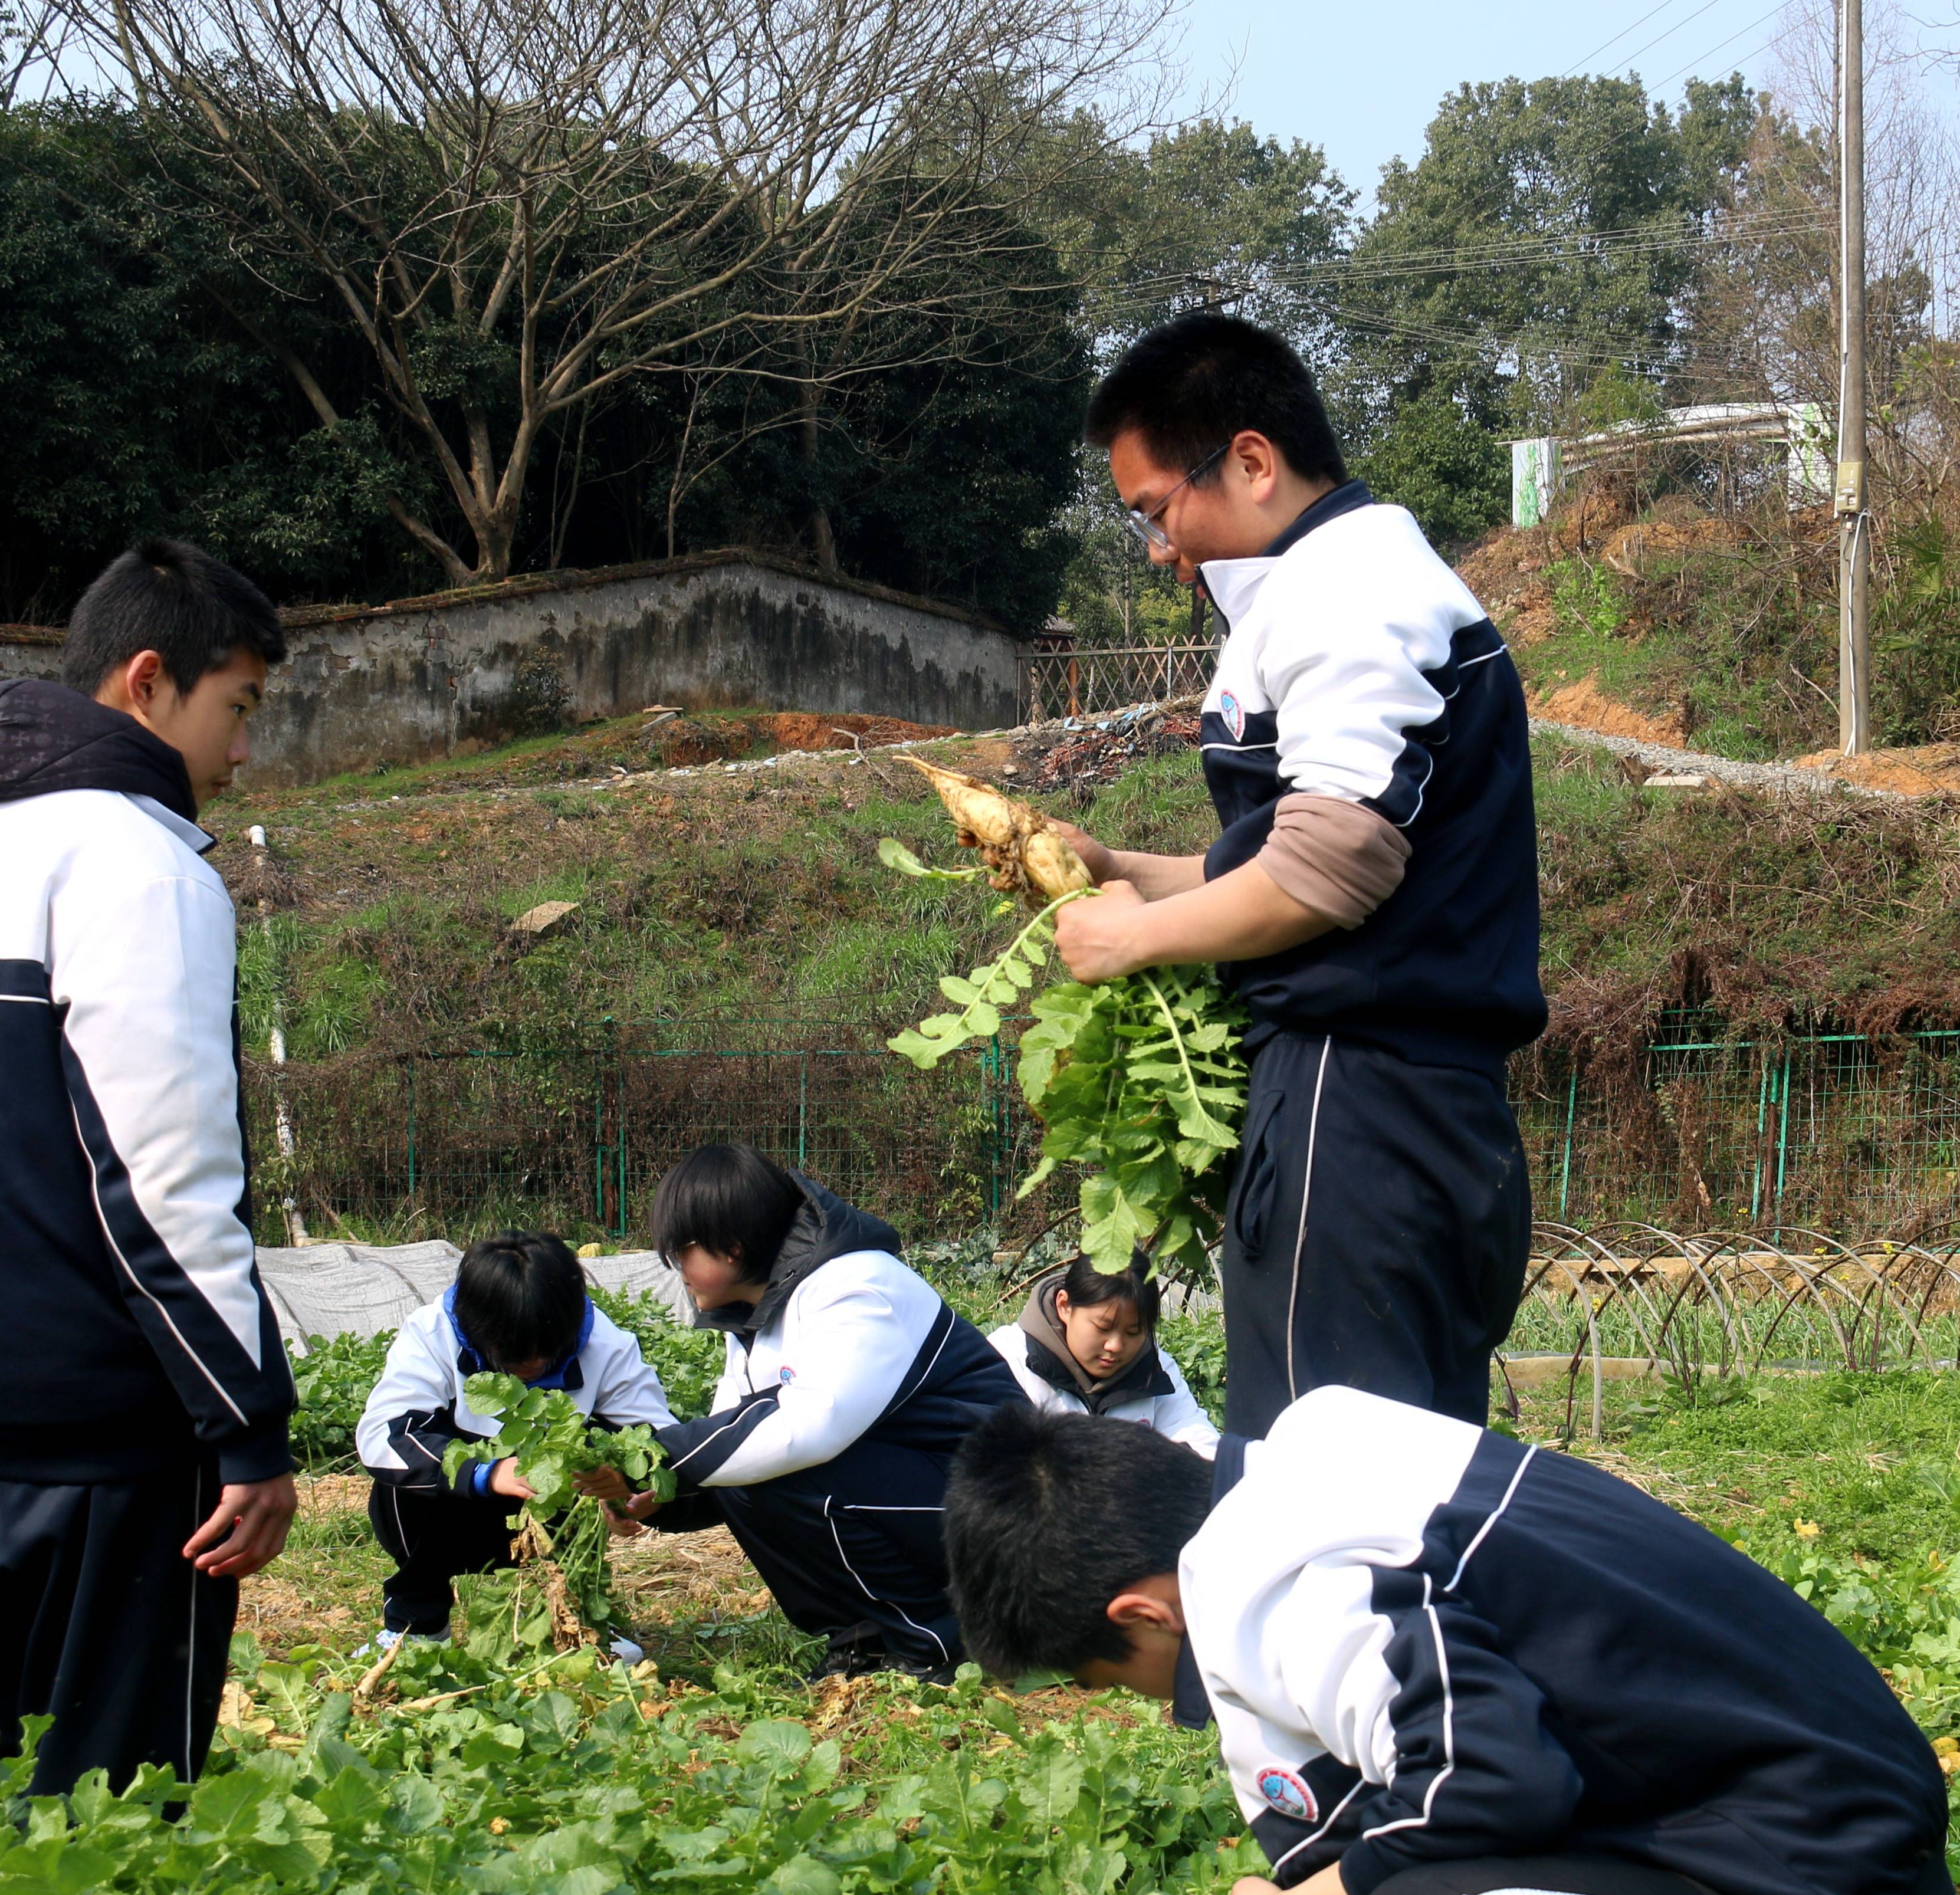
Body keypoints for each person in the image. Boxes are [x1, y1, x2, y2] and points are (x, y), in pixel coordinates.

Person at [941, 1387, 1960, 1895]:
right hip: (1787, 1894)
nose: (1173, 1706)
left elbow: (1490, 1779)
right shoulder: (1312, 1477)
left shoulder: (1288, 1583)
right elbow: (1378, 1758)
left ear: (1143, 1613)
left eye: (1136, 1683)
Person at [0, 537, 298, 1794]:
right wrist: (248, 1428)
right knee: (106, 1811)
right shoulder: (142, 864)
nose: (243, 750)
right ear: (149, 682)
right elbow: (160, 1176)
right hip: (105, 1426)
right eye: (239, 706)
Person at [1050, 314, 1544, 1437]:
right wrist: (1123, 868)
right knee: (1405, 1508)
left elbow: (1332, 867)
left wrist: (1128, 938)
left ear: (1253, 460)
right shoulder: (1342, 582)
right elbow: (1297, 853)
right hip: (1401, 1107)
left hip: (1358, 1108)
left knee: (1320, 1507)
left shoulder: (1346, 592)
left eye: (1154, 509)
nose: (1156, 548)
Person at [584, 1142, 1019, 1680]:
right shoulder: (754, 1315)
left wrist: (649, 1457)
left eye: (684, 1249)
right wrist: (659, 1500)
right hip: (931, 1495)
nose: (676, 1268)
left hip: (1006, 1511)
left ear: (733, 1244)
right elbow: (732, 1457)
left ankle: (938, 1639)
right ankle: (865, 1639)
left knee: (785, 1459)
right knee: (751, 1470)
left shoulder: (854, 1285)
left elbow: (809, 1429)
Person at [354, 1229, 670, 1650]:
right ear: (476, 1325)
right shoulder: (433, 1333)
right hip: (449, 1512)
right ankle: (417, 1625)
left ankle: (577, 1618)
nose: (535, 1363)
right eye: (516, 1352)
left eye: (548, 1350)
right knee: (402, 1477)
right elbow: (383, 1435)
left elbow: (656, 1436)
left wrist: (621, 1487)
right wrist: (487, 1472)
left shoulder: (605, 1343)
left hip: (549, 1508)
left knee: (587, 1457)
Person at [985, 1254, 1217, 1459]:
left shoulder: (1157, 1369)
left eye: (1134, 1332)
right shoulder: (1006, 1359)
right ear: (1065, 1306)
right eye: (1103, 1327)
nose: (1115, 1346)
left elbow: (1204, 1451)